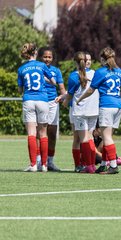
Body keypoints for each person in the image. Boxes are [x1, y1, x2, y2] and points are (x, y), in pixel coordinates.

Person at [77, 47, 121, 174]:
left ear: (102, 59)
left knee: (106, 137)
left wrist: (80, 99)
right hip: (118, 106)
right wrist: (116, 97)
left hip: (106, 106)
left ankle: (113, 165)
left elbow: (90, 90)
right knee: (108, 136)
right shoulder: (119, 71)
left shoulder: (100, 72)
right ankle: (104, 164)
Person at [17, 43, 56, 172]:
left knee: (31, 133)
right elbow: (53, 82)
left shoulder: (21, 69)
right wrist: (46, 80)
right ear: (35, 53)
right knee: (43, 133)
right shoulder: (42, 66)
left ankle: (33, 164)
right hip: (43, 100)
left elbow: (19, 90)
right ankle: (44, 165)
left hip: (28, 100)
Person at [62, 51, 99, 173]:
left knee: (82, 139)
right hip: (93, 111)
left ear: (75, 62)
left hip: (80, 112)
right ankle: (92, 165)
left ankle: (87, 166)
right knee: (91, 138)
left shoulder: (74, 76)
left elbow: (70, 95)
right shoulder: (95, 73)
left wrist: (64, 103)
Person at [36, 47, 66, 172]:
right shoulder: (36, 69)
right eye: (45, 57)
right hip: (40, 101)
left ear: (52, 58)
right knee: (39, 132)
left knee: (52, 133)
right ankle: (38, 161)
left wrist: (63, 96)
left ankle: (50, 161)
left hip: (53, 103)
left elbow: (62, 89)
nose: (47, 59)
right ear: (40, 57)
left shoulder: (56, 71)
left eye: (50, 57)